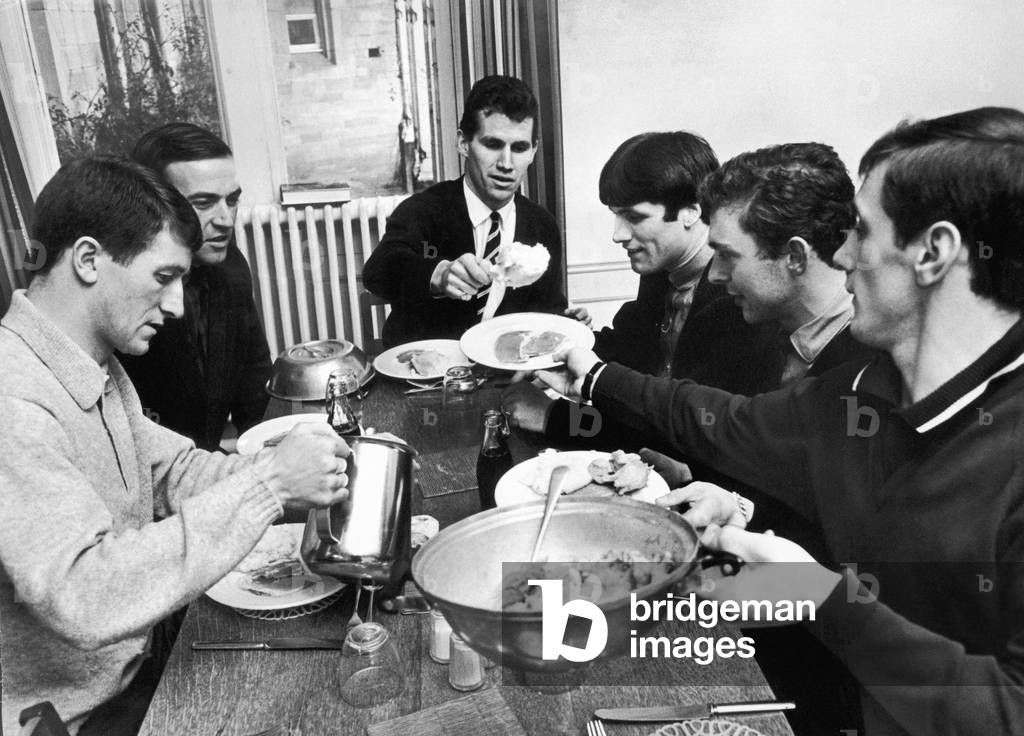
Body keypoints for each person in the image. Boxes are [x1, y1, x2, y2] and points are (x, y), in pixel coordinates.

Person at [540, 107, 1024, 735]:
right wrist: (594, 377)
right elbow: (719, 420)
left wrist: (818, 597)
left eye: (862, 231)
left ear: (934, 253)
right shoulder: (861, 389)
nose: (840, 254)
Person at [0, 157, 350, 736]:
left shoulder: (89, 363)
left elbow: (173, 471)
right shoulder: (13, 399)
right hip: (79, 718)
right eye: (163, 277)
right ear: (87, 259)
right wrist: (270, 484)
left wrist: (285, 468)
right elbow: (83, 595)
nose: (176, 305)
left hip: (138, 662)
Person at [501, 131, 783, 447]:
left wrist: (555, 419)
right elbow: (628, 351)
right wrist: (556, 352)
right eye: (616, 215)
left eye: (634, 217)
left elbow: (674, 440)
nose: (618, 235)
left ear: (692, 210)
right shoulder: (661, 271)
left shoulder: (739, 301)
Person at [362, 75, 576, 347]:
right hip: (425, 368)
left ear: (533, 151)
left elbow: (546, 306)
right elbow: (379, 271)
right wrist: (438, 274)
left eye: (519, 148)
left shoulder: (542, 225)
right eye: (493, 145)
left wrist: (564, 321)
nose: (506, 164)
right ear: (463, 143)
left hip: (501, 367)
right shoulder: (423, 209)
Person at [118, 122, 272, 451]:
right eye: (203, 203)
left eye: (232, 200)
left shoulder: (232, 265)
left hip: (213, 461)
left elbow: (254, 377)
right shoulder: (120, 290)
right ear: (153, 203)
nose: (226, 220)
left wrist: (268, 453)